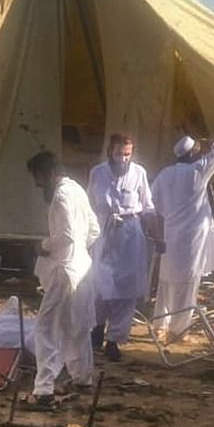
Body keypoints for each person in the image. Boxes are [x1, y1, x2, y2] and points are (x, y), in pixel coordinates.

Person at [28, 151, 100, 409]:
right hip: (82, 266)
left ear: (47, 174)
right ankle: (82, 379)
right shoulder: (78, 189)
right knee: (76, 326)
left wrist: (44, 246)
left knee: (45, 328)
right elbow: (94, 229)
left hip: (66, 269)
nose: (37, 185)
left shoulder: (61, 194)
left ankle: (44, 390)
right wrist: (79, 250)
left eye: (37, 178)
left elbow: (66, 235)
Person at [150, 136, 214, 339]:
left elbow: (153, 202)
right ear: (193, 152)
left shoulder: (164, 174)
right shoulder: (198, 170)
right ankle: (178, 330)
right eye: (197, 149)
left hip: (170, 234)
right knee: (187, 284)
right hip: (192, 237)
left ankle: (159, 326)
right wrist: (208, 140)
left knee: (166, 282)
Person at [87, 133, 153, 361]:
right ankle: (96, 327)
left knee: (126, 289)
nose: (123, 159)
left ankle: (114, 339)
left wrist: (156, 231)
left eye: (127, 154)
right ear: (110, 153)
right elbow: (89, 204)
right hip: (104, 232)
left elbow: (147, 205)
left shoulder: (139, 173)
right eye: (119, 154)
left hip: (130, 234)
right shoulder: (98, 173)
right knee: (99, 284)